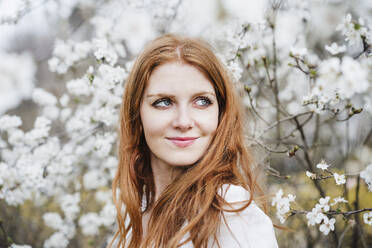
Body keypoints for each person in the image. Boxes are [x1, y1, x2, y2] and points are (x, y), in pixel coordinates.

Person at [111, 34, 278, 248]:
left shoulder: (230, 210)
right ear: (137, 114)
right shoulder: (135, 216)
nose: (183, 121)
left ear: (220, 111)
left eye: (201, 101)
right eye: (163, 102)